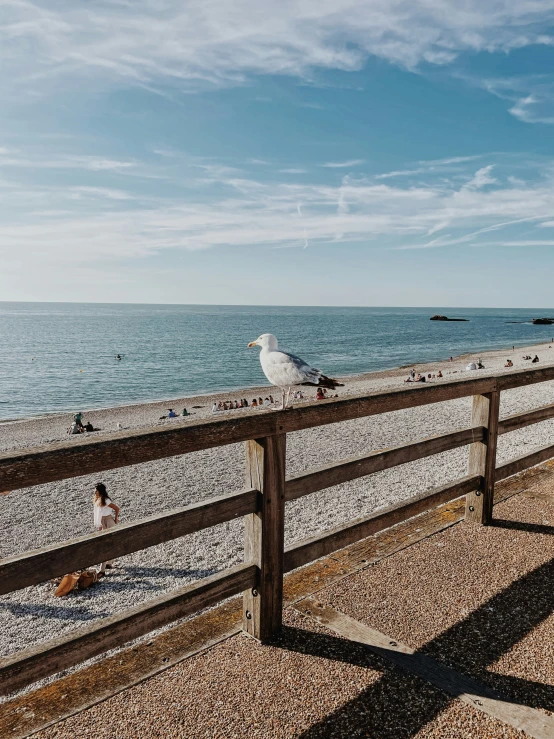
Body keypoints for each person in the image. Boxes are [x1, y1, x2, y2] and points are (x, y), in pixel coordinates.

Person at [93, 483, 120, 573]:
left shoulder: (106, 500)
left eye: (96, 490)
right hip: (102, 521)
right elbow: (98, 514)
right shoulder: (97, 500)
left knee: (107, 544)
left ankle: (102, 570)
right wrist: (99, 525)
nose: (94, 492)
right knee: (107, 543)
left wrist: (116, 519)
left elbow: (117, 508)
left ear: (100, 491)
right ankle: (109, 562)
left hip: (109, 521)